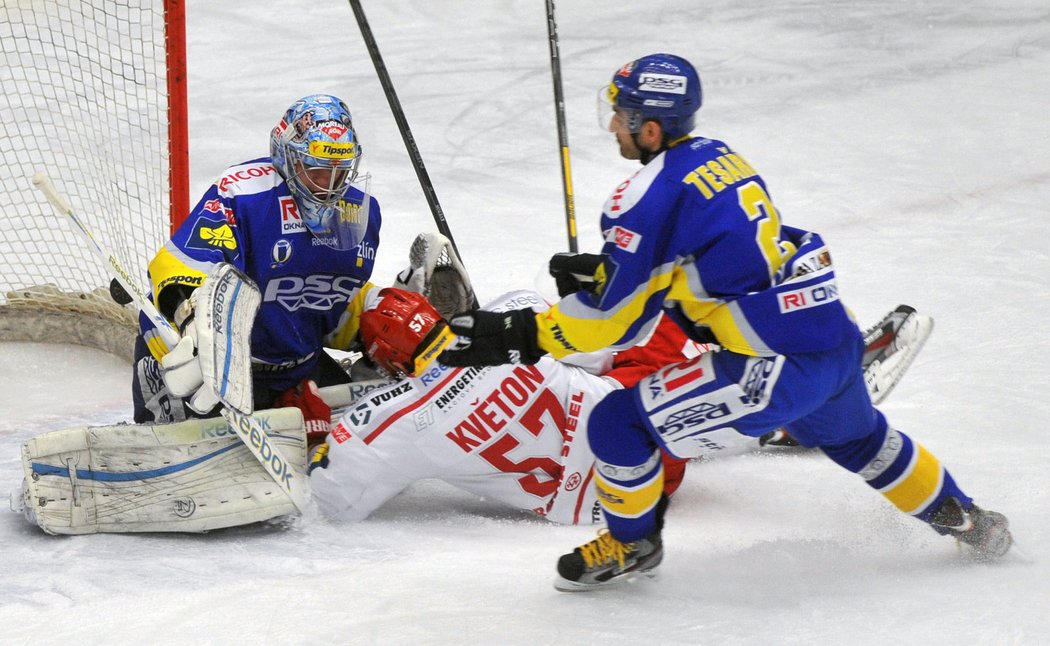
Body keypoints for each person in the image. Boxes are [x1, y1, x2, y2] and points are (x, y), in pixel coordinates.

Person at [439, 54, 1012, 590]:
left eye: (622, 114)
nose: (613, 124)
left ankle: (631, 543)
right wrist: (611, 270)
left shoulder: (644, 192)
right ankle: (967, 520)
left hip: (774, 364)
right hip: (831, 338)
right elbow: (709, 255)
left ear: (652, 129)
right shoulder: (719, 155)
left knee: (617, 424)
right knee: (862, 441)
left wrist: (520, 334)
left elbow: (615, 324)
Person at [309, 283, 927, 526]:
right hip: (653, 449)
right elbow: (606, 342)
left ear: (388, 362)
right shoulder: (506, 314)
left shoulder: (393, 422)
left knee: (648, 382)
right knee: (665, 326)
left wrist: (315, 427)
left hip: (604, 499)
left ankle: (786, 414)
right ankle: (796, 400)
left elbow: (331, 497)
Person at [132, 94, 382, 424]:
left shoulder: (359, 212)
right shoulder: (244, 193)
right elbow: (180, 266)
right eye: (316, 171)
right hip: (204, 365)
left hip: (295, 369)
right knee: (190, 464)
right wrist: (194, 328)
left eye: (340, 172)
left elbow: (323, 304)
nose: (328, 186)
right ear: (289, 158)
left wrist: (382, 317)